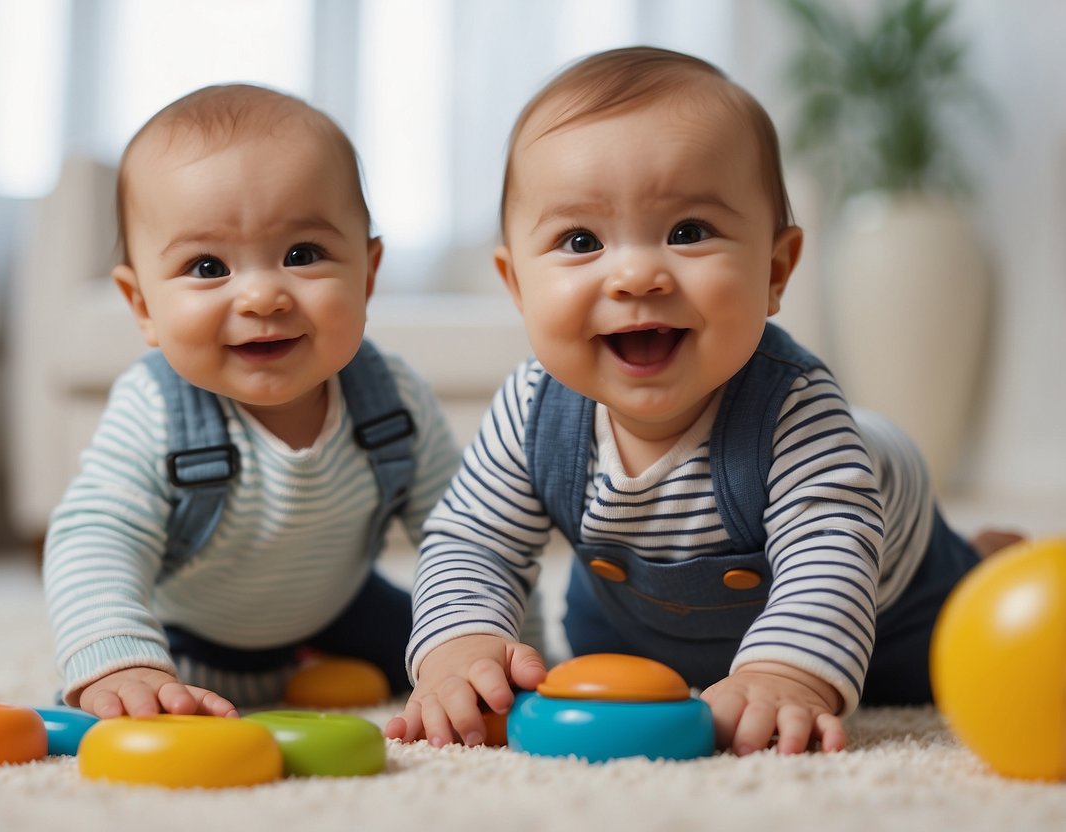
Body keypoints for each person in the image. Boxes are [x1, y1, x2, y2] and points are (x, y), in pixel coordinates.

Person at [385, 47, 1021, 755]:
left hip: (886, 596)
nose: (634, 275)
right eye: (579, 240)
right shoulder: (533, 408)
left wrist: (785, 674)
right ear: (516, 285)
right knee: (609, 666)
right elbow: (474, 541)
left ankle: (982, 556)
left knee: (942, 654)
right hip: (633, 620)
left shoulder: (793, 409)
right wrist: (459, 642)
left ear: (774, 269)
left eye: (687, 233)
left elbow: (827, 552)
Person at [43, 84, 460, 719]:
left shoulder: (391, 399)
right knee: (140, 696)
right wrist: (119, 655)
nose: (263, 296)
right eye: (208, 267)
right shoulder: (157, 408)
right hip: (196, 635)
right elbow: (98, 534)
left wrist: (498, 646)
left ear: (368, 275)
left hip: (344, 607)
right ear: (142, 306)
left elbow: (464, 533)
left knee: (456, 648)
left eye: (303, 255)